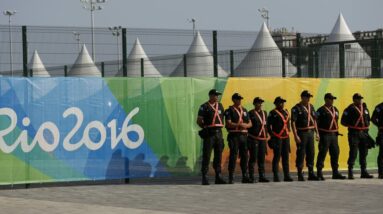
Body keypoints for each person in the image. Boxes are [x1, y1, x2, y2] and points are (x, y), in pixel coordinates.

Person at [197, 89, 227, 185]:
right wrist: (205, 128)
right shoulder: (204, 106)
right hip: (209, 133)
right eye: (215, 95)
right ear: (210, 96)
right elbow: (199, 120)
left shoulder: (220, 106)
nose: (217, 97)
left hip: (219, 133)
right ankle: (205, 177)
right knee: (207, 155)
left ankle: (218, 176)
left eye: (217, 95)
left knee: (218, 155)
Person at [341, 93, 374, 179]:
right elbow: (343, 121)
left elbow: (368, 119)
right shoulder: (349, 109)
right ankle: (350, 171)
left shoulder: (365, 108)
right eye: (358, 99)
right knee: (353, 152)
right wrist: (352, 125)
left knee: (364, 152)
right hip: (354, 133)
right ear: (354, 100)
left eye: (360, 99)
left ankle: (364, 171)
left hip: (364, 133)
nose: (360, 100)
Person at [316, 93, 346, 180]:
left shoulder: (335, 109)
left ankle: (335, 173)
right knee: (322, 153)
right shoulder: (320, 110)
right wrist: (318, 134)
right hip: (324, 135)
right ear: (326, 99)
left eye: (333, 99)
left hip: (334, 135)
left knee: (335, 153)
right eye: (331, 99)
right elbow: (316, 123)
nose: (332, 100)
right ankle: (319, 172)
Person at [291, 90, 319, 181]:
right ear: (302, 97)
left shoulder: (311, 107)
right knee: (301, 153)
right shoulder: (296, 108)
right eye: (307, 97)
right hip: (302, 133)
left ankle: (311, 173)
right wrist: (296, 136)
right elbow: (293, 123)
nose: (308, 98)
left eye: (309, 97)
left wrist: (317, 133)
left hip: (311, 132)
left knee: (311, 152)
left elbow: (314, 120)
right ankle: (300, 173)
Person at [225, 93, 252, 184]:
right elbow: (228, 123)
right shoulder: (229, 110)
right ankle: (231, 176)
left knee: (245, 156)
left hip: (244, 136)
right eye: (237, 99)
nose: (239, 100)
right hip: (234, 136)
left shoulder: (244, 110)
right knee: (233, 156)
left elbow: (250, 123)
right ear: (233, 100)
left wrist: (246, 125)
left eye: (240, 99)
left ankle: (245, 176)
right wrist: (238, 125)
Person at [267, 96, 293, 182]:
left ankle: (287, 175)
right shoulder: (272, 113)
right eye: (280, 102)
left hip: (286, 138)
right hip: (277, 138)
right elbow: (268, 126)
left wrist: (288, 130)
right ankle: (276, 176)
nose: (282, 104)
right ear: (276, 103)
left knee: (285, 157)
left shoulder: (286, 112)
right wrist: (272, 136)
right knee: (277, 157)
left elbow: (288, 122)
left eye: (282, 102)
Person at [248, 97, 270, 183]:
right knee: (253, 158)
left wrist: (267, 134)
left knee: (262, 158)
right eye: (258, 103)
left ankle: (262, 176)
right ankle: (251, 177)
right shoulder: (250, 113)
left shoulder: (264, 113)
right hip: (254, 139)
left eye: (261, 103)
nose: (260, 104)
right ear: (254, 104)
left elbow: (266, 125)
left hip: (263, 140)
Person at [372, 101, 383, 179]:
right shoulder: (379, 107)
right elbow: (373, 118)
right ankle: (381, 173)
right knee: (382, 154)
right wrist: (379, 125)